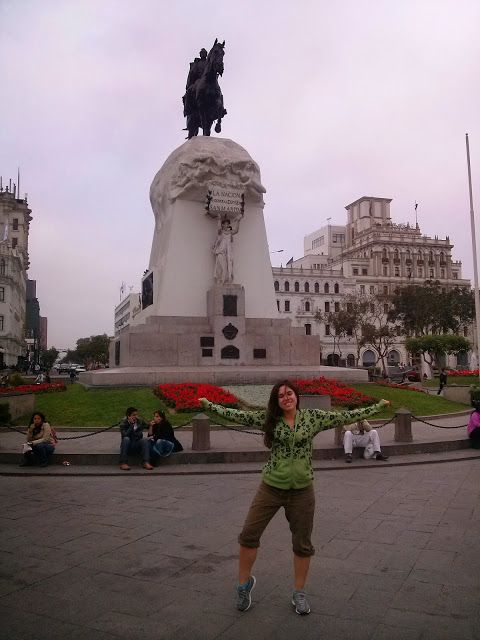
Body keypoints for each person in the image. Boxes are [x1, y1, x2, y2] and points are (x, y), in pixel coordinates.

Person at [200, 381, 390, 616]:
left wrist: (378, 406)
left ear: (296, 396)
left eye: (289, 393)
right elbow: (237, 414)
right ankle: (243, 585)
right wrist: (210, 405)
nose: (286, 398)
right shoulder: (269, 420)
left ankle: (299, 592)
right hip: (270, 487)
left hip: (302, 490)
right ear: (276, 401)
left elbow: (348, 416)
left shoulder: (313, 418)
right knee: (249, 535)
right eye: (280, 395)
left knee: (302, 544)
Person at [213, 214, 243, 284]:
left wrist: (238, 221)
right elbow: (218, 229)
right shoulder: (221, 232)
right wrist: (219, 219)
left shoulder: (230, 233)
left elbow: (236, 231)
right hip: (221, 252)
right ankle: (220, 281)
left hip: (228, 254)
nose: (226, 225)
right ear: (222, 225)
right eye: (225, 224)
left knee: (228, 268)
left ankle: (226, 281)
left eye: (227, 224)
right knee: (222, 267)